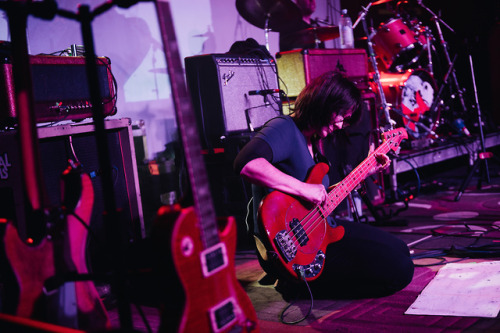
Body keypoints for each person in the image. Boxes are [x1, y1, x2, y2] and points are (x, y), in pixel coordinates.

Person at [234, 71, 414, 300]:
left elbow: (318, 197)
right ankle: (298, 285)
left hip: (323, 229)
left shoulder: (316, 142)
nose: (341, 124)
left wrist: (366, 171)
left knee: (400, 249)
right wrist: (304, 189)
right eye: (341, 115)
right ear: (323, 103)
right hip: (295, 244)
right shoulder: (284, 128)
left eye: (346, 119)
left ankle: (309, 282)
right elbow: (246, 164)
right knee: (400, 270)